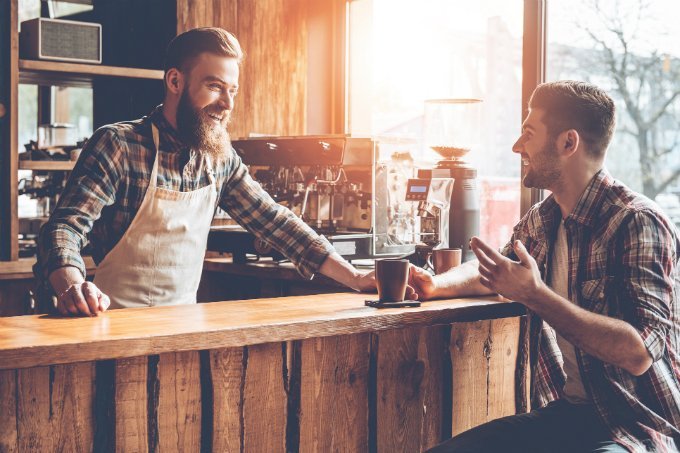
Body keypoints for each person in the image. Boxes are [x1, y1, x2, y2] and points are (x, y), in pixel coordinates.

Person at [411, 81, 680, 452]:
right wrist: (435, 285)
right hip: (572, 416)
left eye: (528, 133)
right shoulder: (544, 217)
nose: (517, 147)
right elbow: (498, 269)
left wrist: (537, 296)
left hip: (639, 426)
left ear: (568, 143)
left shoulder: (636, 221)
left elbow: (638, 354)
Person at [35, 27, 375, 316]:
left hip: (186, 327)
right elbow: (65, 228)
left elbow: (274, 221)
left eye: (232, 91)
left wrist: (356, 278)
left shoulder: (220, 158)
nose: (226, 104)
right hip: (114, 325)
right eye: (214, 86)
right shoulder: (120, 145)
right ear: (175, 81)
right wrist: (74, 286)